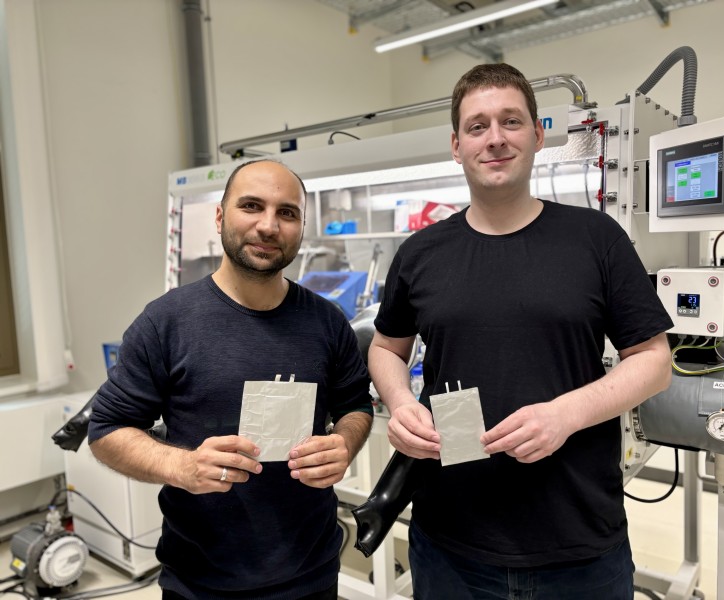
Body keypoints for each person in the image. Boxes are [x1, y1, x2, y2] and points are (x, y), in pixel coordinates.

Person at [368, 63, 673, 599]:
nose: (495, 138)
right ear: (457, 145)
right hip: (450, 544)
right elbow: (386, 348)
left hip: (579, 544)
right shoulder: (420, 253)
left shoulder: (596, 238)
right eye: (477, 126)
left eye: (510, 121)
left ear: (537, 135)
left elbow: (654, 360)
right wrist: (400, 403)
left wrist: (564, 414)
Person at [89, 159, 374, 600]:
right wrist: (182, 466)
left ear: (301, 227)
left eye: (287, 213)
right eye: (251, 206)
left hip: (312, 575)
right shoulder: (166, 322)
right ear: (220, 216)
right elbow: (107, 429)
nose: (269, 226)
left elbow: (355, 405)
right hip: (201, 583)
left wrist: (344, 443)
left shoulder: (327, 321)